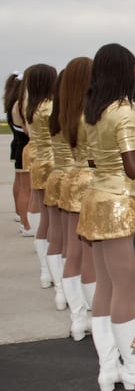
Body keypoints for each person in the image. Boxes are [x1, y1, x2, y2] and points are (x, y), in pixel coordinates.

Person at [78, 43, 135, 391]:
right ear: (123, 72)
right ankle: (134, 368)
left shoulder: (92, 111)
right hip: (119, 206)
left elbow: (92, 162)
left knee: (104, 287)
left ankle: (108, 368)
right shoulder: (122, 112)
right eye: (132, 68)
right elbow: (134, 167)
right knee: (127, 291)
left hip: (95, 202)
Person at [58, 56, 96, 341]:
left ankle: (77, 317)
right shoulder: (89, 114)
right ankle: (94, 313)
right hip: (89, 184)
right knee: (91, 255)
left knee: (72, 251)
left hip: (67, 183)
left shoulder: (60, 113)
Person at [22, 64, 57, 289]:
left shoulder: (31, 106)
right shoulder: (50, 106)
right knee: (55, 223)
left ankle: (45, 268)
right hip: (53, 164)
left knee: (41, 215)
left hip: (38, 162)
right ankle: (51, 271)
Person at [44, 70, 71, 311]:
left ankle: (61, 292)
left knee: (57, 239)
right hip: (77, 184)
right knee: (75, 250)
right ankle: (77, 309)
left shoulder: (55, 113)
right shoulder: (82, 116)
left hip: (56, 178)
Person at [4, 72, 32, 235]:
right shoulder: (21, 105)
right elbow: (29, 131)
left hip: (19, 146)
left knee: (21, 186)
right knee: (26, 189)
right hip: (25, 147)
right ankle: (26, 223)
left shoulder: (12, 103)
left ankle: (21, 216)